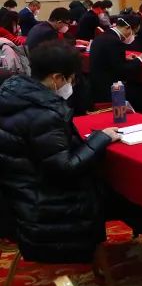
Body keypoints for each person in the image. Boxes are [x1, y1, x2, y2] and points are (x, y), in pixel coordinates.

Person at [0, 42, 119, 263]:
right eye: (70, 79)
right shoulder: (44, 114)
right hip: (50, 207)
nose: (71, 85)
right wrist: (101, 139)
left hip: (22, 199)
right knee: (122, 193)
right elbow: (65, 168)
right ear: (56, 78)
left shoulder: (14, 95)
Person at [88, 14, 142, 102]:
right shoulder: (115, 42)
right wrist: (140, 59)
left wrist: (124, 58)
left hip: (96, 86)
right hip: (109, 90)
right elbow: (122, 71)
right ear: (128, 28)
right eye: (134, 33)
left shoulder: (102, 36)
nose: (133, 36)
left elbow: (109, 60)